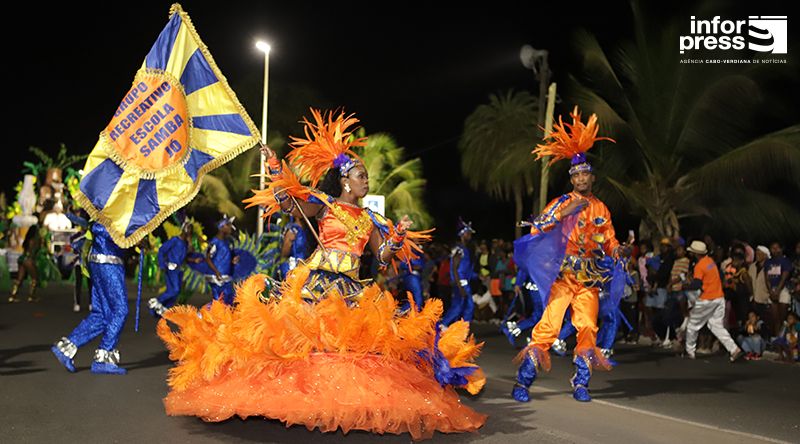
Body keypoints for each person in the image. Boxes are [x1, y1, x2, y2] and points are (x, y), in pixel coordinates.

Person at [157, 110, 485, 439]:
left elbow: (381, 258)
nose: (365, 180)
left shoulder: (370, 218)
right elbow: (292, 204)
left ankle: (342, 400)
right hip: (319, 281)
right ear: (344, 180)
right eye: (360, 175)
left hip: (354, 288)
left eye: (365, 176)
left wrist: (396, 237)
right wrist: (275, 169)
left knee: (352, 348)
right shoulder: (326, 204)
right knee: (306, 341)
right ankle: (298, 397)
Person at [512, 107, 630, 403]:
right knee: (548, 328)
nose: (581, 179)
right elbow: (538, 227)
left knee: (588, 327)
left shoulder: (602, 208)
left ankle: (581, 382)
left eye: (585, 174)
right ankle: (523, 381)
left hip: (588, 280)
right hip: (562, 278)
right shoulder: (562, 202)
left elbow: (610, 240)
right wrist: (564, 213)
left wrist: (619, 250)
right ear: (571, 178)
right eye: (576, 175)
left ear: (592, 177)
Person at [51, 222, 129, 375]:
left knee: (101, 314)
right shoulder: (111, 205)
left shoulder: (113, 205)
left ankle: (66, 348)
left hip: (101, 261)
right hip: (108, 262)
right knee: (120, 310)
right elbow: (101, 229)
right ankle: (103, 357)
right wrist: (129, 237)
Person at [682, 240, 743, 362]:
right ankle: (734, 349)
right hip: (719, 298)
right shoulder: (711, 262)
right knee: (716, 326)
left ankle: (690, 352)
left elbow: (697, 284)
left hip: (707, 298)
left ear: (695, 253)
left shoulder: (699, 265)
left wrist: (685, 286)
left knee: (692, 325)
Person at [147, 220, 193, 317]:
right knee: (174, 290)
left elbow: (189, 253)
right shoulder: (175, 240)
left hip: (179, 270)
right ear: (184, 229)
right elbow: (162, 250)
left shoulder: (185, 243)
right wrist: (162, 264)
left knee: (175, 292)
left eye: (191, 230)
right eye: (188, 229)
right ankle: (156, 301)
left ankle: (162, 309)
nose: (190, 231)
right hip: (171, 268)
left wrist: (190, 242)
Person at [441, 219, 476, 326]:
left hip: (463, 282)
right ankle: (443, 326)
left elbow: (465, 268)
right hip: (460, 283)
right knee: (461, 307)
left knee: (463, 307)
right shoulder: (459, 249)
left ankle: (458, 329)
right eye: (468, 233)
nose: (470, 235)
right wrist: (459, 286)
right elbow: (455, 268)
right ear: (462, 234)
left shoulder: (465, 249)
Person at [8, 226, 44, 303]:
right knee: (34, 279)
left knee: (19, 279)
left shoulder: (27, 240)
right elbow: (34, 251)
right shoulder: (34, 240)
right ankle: (31, 296)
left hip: (22, 259)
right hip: (28, 260)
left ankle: (12, 296)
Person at [765, 242, 793, 337]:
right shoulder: (768, 262)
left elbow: (784, 277)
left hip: (783, 289)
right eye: (773, 248)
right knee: (775, 318)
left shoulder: (785, 261)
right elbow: (767, 278)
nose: (775, 250)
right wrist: (770, 291)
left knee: (782, 317)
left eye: (777, 248)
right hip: (772, 290)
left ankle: (784, 339)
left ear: (781, 249)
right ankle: (777, 339)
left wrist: (777, 290)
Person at [277, 216, 309, 280]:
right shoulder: (293, 229)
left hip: (306, 266)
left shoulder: (309, 228)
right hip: (293, 267)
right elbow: (284, 252)